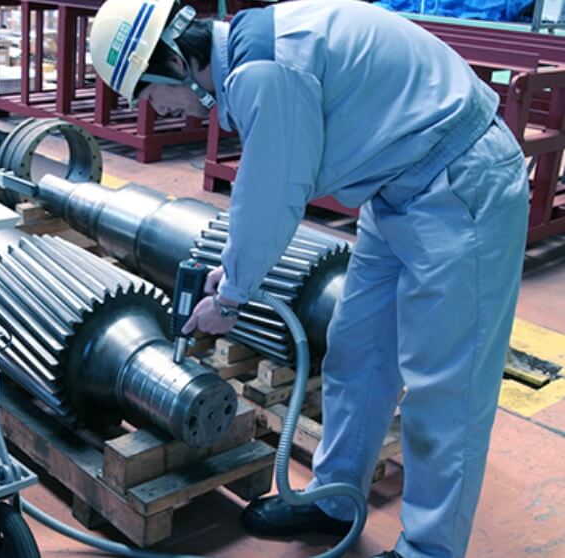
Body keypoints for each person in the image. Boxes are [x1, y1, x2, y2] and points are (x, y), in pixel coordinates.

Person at [88, 1, 530, 557]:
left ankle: (429, 549)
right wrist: (235, 272)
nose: (164, 111)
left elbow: (272, 196)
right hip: (396, 188)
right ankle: (334, 499)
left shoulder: (262, 71)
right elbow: (269, 186)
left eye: (152, 96)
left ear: (176, 63)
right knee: (357, 351)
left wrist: (230, 299)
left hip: (460, 185)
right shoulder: (252, 54)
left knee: (446, 387)